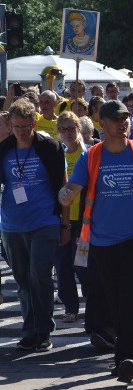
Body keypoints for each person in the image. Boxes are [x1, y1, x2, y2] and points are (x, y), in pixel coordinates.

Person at [59, 100, 133, 384]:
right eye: (116, 119)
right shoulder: (92, 157)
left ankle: (128, 357)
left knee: (130, 295)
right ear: (103, 124)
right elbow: (72, 187)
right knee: (114, 299)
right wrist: (67, 194)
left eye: (126, 118)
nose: (123, 122)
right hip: (102, 241)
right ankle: (122, 357)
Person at [1, 100, 70, 351]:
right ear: (10, 125)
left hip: (45, 222)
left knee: (39, 276)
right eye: (17, 126)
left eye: (26, 126)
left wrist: (65, 224)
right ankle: (29, 329)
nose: (21, 131)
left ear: (35, 122)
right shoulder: (4, 149)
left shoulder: (50, 148)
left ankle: (43, 330)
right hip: (12, 225)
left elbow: (63, 189)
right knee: (22, 280)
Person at [54, 112, 87, 323]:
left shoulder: (87, 154)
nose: (67, 133)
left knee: (83, 266)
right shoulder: (58, 155)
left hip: (84, 219)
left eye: (71, 128)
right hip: (63, 219)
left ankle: (93, 302)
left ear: (78, 129)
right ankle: (71, 306)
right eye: (64, 129)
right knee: (62, 265)